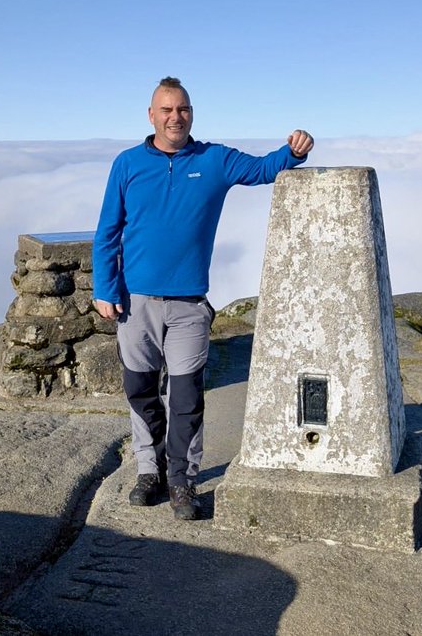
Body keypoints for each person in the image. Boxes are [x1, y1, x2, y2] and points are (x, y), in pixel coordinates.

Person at [92, 77, 314, 520]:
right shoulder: (128, 163)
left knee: (187, 397)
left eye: (183, 109)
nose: (176, 117)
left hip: (190, 304)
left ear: (191, 113)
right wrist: (104, 289)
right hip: (135, 303)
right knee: (140, 392)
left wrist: (295, 151)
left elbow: (265, 169)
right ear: (152, 115)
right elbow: (107, 231)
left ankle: (182, 482)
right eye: (167, 110)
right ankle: (148, 472)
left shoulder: (213, 160)